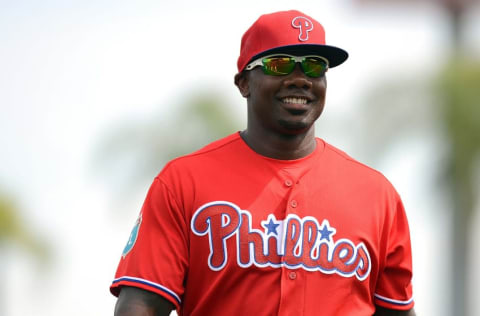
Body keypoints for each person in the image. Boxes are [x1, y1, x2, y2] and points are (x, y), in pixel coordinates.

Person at [111, 10, 415, 316]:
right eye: (279, 64)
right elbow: (140, 306)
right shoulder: (183, 182)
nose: (300, 79)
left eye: (313, 66)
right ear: (244, 83)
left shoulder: (376, 195)